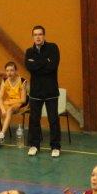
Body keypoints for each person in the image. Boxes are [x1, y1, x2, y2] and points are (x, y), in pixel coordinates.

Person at [24, 25, 62, 158]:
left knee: (53, 119)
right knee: (34, 120)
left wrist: (37, 64)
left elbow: (52, 67)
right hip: (35, 92)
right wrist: (45, 61)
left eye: (40, 34)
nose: (38, 37)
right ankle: (34, 145)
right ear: (32, 37)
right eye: (35, 35)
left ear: (44, 36)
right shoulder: (29, 52)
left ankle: (55, 146)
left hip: (51, 91)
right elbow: (30, 67)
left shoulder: (53, 48)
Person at [0, 61, 28, 147]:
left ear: (16, 71)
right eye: (7, 71)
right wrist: (2, 109)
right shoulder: (5, 80)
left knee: (9, 110)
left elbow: (23, 100)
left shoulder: (22, 81)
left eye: (11, 70)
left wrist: (9, 102)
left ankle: (2, 134)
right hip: (7, 103)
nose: (9, 73)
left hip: (18, 104)